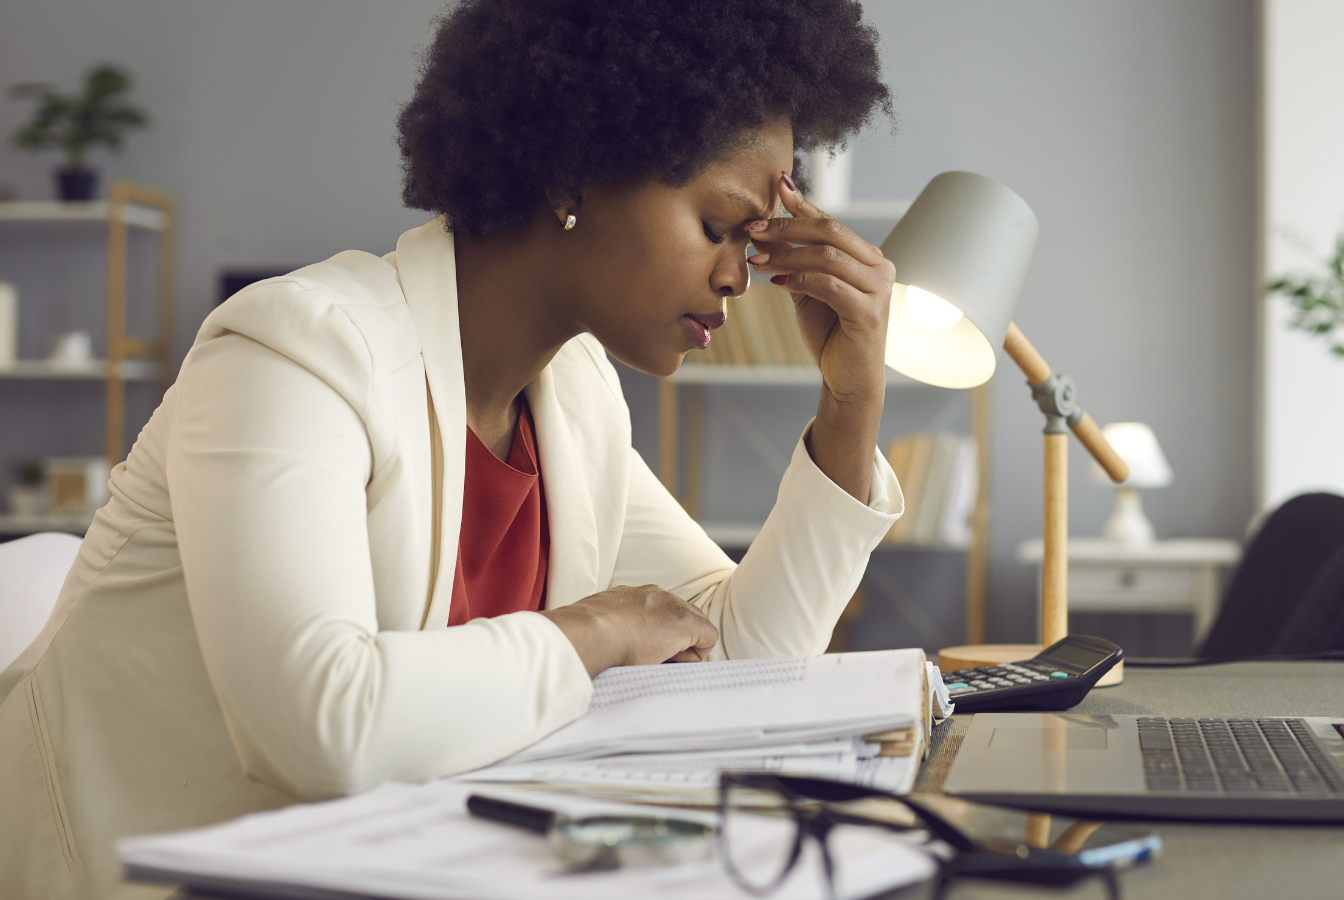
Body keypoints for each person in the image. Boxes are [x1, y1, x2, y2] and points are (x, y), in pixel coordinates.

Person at [0, 1, 901, 896]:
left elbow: (737, 665)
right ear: (574, 172)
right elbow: (320, 725)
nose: (740, 277)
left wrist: (851, 401)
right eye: (719, 226)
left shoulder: (574, 400)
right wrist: (590, 631)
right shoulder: (299, 351)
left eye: (754, 242)